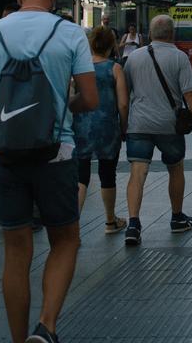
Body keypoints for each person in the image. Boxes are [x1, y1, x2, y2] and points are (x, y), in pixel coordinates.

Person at [0, 0, 98, 343]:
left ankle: (18, 339)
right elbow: (89, 98)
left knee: (16, 250)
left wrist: (11, 105)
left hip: (4, 156)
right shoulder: (70, 33)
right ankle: (47, 326)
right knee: (65, 240)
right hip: (55, 154)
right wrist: (57, 107)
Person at [122, 14, 192, 246]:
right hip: (169, 125)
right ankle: (177, 217)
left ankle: (133, 224)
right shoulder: (179, 58)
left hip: (139, 124)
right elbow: (189, 93)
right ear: (172, 34)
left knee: (137, 173)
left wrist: (123, 123)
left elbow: (124, 94)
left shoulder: (134, 58)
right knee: (175, 169)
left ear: (150, 34)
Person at [75, 26, 129, 234]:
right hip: (107, 127)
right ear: (111, 46)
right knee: (108, 174)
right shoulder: (115, 68)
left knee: (81, 176)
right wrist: (123, 127)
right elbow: (123, 104)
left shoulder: (80, 68)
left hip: (82, 127)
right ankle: (110, 221)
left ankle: (73, 228)